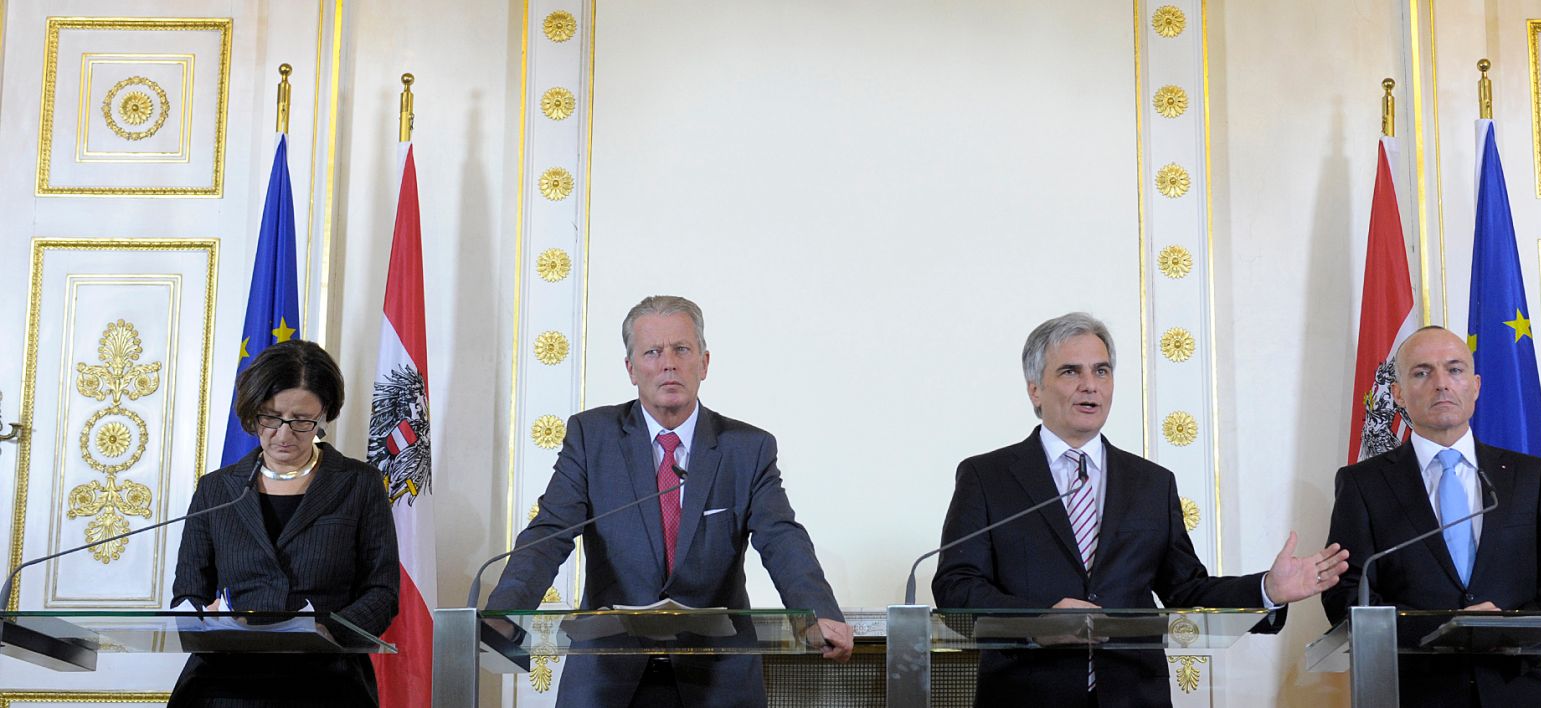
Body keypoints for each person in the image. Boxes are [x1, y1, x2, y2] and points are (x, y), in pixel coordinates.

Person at [932, 312, 1348, 707]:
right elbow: (956, 588)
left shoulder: (1151, 483)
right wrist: (1040, 620)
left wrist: (1266, 591)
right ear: (1034, 389)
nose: (1090, 385)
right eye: (1070, 371)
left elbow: (1185, 590)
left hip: (1131, 695)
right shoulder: (988, 477)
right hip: (1026, 694)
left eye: (1102, 370)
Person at [487, 295, 853, 708]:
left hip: (717, 678)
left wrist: (818, 611)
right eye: (652, 352)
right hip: (609, 676)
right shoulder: (592, 438)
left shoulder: (747, 448)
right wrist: (504, 611)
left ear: (704, 362)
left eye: (681, 349)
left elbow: (781, 537)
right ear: (631, 368)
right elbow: (552, 531)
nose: (668, 363)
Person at [1323, 326, 1541, 707]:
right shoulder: (1362, 483)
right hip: (1417, 693)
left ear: (1476, 385)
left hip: (1514, 690)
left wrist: (1505, 630)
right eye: (1422, 372)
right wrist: (1447, 628)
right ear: (1398, 393)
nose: (1441, 384)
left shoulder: (1527, 476)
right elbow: (1346, 596)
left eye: (1455, 370)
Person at [170, 340, 400, 707]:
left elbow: (381, 592)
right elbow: (188, 591)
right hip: (223, 686)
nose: (283, 434)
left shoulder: (359, 484)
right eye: (271, 418)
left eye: (301, 420)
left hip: (328, 684)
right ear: (253, 413)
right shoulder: (217, 489)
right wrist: (202, 617)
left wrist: (326, 632)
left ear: (323, 413)